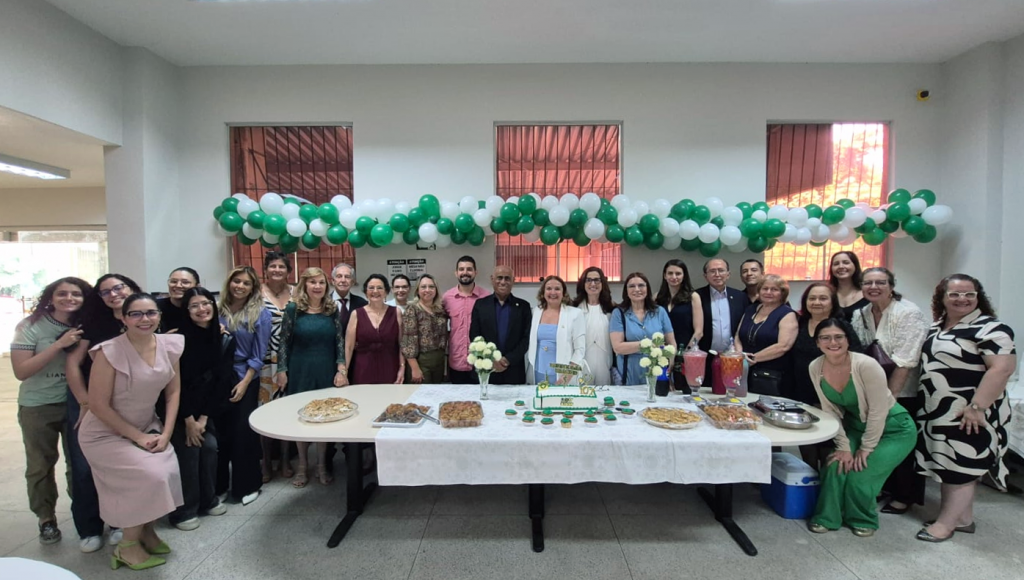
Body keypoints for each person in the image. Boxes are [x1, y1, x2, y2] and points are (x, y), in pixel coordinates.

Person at [78, 293, 185, 570]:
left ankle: (146, 533)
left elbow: (173, 392)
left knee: (168, 469)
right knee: (150, 476)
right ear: (124, 318)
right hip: (105, 432)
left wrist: (167, 432)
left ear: (159, 316)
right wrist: (137, 437)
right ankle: (127, 546)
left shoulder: (170, 346)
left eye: (150, 313)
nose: (144, 319)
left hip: (147, 425)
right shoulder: (109, 351)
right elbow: (98, 405)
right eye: (136, 314)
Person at [915, 274, 1016, 543]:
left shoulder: (991, 328)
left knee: (962, 465)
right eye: (955, 294)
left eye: (969, 294)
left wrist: (977, 407)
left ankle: (945, 524)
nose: (963, 299)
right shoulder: (938, 326)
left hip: (970, 411)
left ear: (978, 297)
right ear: (943, 297)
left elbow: (1002, 368)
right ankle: (962, 519)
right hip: (939, 410)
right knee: (950, 464)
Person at [806, 318, 916, 538]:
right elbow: (830, 410)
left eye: (839, 337)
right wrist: (844, 446)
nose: (832, 342)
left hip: (894, 429)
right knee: (836, 464)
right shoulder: (815, 366)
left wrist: (866, 448)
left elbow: (878, 410)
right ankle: (827, 517)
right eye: (825, 338)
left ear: (848, 339)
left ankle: (862, 518)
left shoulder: (865, 364)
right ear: (817, 342)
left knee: (860, 472)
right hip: (855, 426)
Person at [65, 273, 142, 553]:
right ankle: (88, 527)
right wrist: (85, 403)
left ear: (131, 287)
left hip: (127, 401)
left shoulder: (143, 314)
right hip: (88, 400)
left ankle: (122, 521)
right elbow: (73, 365)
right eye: (105, 291)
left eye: (118, 287)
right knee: (85, 466)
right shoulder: (93, 323)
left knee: (122, 464)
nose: (113, 294)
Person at [11, 277, 90, 545]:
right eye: (62, 294)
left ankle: (84, 514)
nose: (69, 299)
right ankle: (46, 518)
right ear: (51, 297)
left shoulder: (86, 322)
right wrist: (58, 344)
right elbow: (21, 371)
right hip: (38, 406)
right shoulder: (30, 326)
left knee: (78, 464)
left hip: (75, 402)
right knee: (40, 465)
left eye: (76, 294)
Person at [850, 267, 929, 515]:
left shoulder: (908, 313)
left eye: (880, 282)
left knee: (901, 445)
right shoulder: (861, 313)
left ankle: (905, 496)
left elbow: (906, 360)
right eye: (868, 283)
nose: (874, 287)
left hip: (901, 390)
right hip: (872, 387)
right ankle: (884, 486)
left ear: (891, 285)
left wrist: (889, 399)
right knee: (879, 441)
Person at [276, 268, 347, 487]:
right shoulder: (293, 309)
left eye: (322, 282)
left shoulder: (331, 308)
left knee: (324, 417)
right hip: (300, 369)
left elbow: (339, 341)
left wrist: (341, 369)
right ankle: (302, 466)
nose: (318, 286)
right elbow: (284, 342)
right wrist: (281, 370)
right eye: (313, 282)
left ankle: (322, 466)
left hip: (325, 368)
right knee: (302, 418)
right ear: (304, 285)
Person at [169, 288, 233, 531]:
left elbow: (221, 380)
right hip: (179, 407)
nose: (202, 309)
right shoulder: (176, 340)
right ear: (187, 310)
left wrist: (204, 418)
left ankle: (208, 500)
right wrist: (188, 420)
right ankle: (184, 511)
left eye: (206, 304)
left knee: (209, 449)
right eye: (194, 305)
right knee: (189, 452)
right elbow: (175, 384)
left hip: (206, 408)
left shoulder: (223, 338)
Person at [216, 266, 271, 506]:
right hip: (217, 377)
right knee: (220, 435)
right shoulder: (217, 310)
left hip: (244, 375)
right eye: (236, 281)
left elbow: (259, 354)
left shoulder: (260, 313)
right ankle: (219, 487)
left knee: (243, 433)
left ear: (253, 288)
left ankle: (248, 485)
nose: (240, 286)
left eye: (246, 283)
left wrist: (245, 382)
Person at [792, 283, 864, 406]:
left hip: (831, 391)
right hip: (799, 389)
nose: (816, 302)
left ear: (833, 302)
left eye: (823, 298)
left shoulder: (841, 326)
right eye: (812, 298)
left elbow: (856, 355)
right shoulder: (799, 322)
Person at [259, 251, 292, 482]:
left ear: (288, 270)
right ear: (266, 269)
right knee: (264, 412)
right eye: (273, 266)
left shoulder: (297, 292)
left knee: (288, 411)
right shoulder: (256, 294)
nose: (277, 270)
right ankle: (266, 463)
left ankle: (285, 459)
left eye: (281, 267)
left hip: (290, 361)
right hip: (265, 362)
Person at [735, 274, 797, 397]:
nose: (769, 292)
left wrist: (753, 359)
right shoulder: (751, 309)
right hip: (743, 369)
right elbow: (738, 335)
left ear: (782, 293)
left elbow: (783, 346)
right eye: (765, 288)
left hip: (771, 376)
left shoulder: (787, 314)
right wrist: (740, 355)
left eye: (774, 289)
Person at [610, 272, 676, 386]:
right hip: (630, 373)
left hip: (658, 371)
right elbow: (618, 347)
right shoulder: (618, 313)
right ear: (626, 291)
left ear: (647, 288)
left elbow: (671, 344)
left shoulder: (659, 311)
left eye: (641, 285)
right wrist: (650, 345)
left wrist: (670, 364)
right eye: (632, 286)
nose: (637, 289)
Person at [469, 265, 532, 385]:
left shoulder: (523, 307)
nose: (503, 282)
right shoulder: (480, 305)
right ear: (492, 279)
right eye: (499, 278)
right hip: (486, 368)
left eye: (507, 278)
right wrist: (491, 359)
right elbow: (474, 335)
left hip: (513, 370)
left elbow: (527, 338)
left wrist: (508, 360)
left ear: (513, 280)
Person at [696, 259, 747, 390]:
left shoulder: (740, 297)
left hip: (731, 358)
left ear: (728, 274)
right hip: (705, 357)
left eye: (721, 270)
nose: (717, 274)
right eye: (712, 271)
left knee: (730, 395)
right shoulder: (697, 296)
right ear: (705, 276)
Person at [346, 274, 404, 384]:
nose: (375, 291)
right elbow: (349, 347)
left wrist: (402, 367)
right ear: (365, 292)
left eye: (380, 288)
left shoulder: (396, 312)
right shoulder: (356, 314)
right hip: (362, 369)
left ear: (386, 292)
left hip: (390, 368)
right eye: (371, 288)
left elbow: (402, 344)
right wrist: (344, 372)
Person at [527, 275, 586, 383]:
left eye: (557, 289)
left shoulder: (575, 314)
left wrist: (567, 376)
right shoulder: (535, 312)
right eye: (549, 288)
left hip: (563, 376)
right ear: (543, 292)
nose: (553, 292)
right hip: (537, 373)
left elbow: (580, 350)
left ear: (563, 293)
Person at [656, 259, 703, 392]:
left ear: (684, 276)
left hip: (685, 353)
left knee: (683, 393)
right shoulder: (657, 298)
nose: (674, 277)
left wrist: (684, 354)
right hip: (662, 353)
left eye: (678, 273)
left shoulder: (693, 297)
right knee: (662, 392)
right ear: (664, 275)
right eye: (670, 273)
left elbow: (699, 331)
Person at [443, 256, 489, 384]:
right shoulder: (447, 298)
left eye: (469, 269)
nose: (465, 272)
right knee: (458, 402)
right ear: (456, 273)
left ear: (475, 272)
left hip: (480, 361)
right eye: (461, 269)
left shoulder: (486, 297)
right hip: (456, 361)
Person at [572, 267, 616, 386]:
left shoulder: (612, 309)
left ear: (603, 283)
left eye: (597, 280)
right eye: (588, 280)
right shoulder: (574, 309)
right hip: (582, 363)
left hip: (605, 361)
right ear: (583, 283)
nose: (593, 284)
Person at [401, 274, 449, 384]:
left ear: (436, 289)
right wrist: (415, 368)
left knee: (437, 394)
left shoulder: (440, 310)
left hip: (439, 360)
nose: (427, 290)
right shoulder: (412, 309)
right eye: (423, 287)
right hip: (421, 361)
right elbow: (408, 343)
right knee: (422, 397)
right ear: (418, 290)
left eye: (431, 287)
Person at [157, 267, 199, 333]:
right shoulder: (155, 307)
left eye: (185, 282)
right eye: (173, 281)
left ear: (197, 286)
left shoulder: (202, 308)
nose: (178, 285)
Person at [829, 252, 868, 321]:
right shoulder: (827, 294)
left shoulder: (868, 293)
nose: (841, 266)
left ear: (855, 266)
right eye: (836, 264)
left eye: (846, 263)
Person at [331, 262, 367, 332]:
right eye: (339, 276)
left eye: (347, 277)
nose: (343, 280)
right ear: (333, 281)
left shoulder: (362, 304)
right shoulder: (323, 302)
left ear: (353, 282)